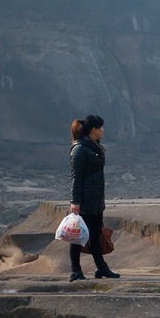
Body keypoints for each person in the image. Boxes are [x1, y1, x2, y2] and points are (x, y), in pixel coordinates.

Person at [68, 114, 120, 282]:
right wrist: (75, 201)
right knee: (77, 236)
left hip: (96, 200)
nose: (103, 130)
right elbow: (76, 177)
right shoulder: (80, 149)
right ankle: (76, 271)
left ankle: (101, 267)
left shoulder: (94, 147)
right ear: (94, 130)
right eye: (101, 127)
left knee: (96, 235)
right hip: (84, 200)